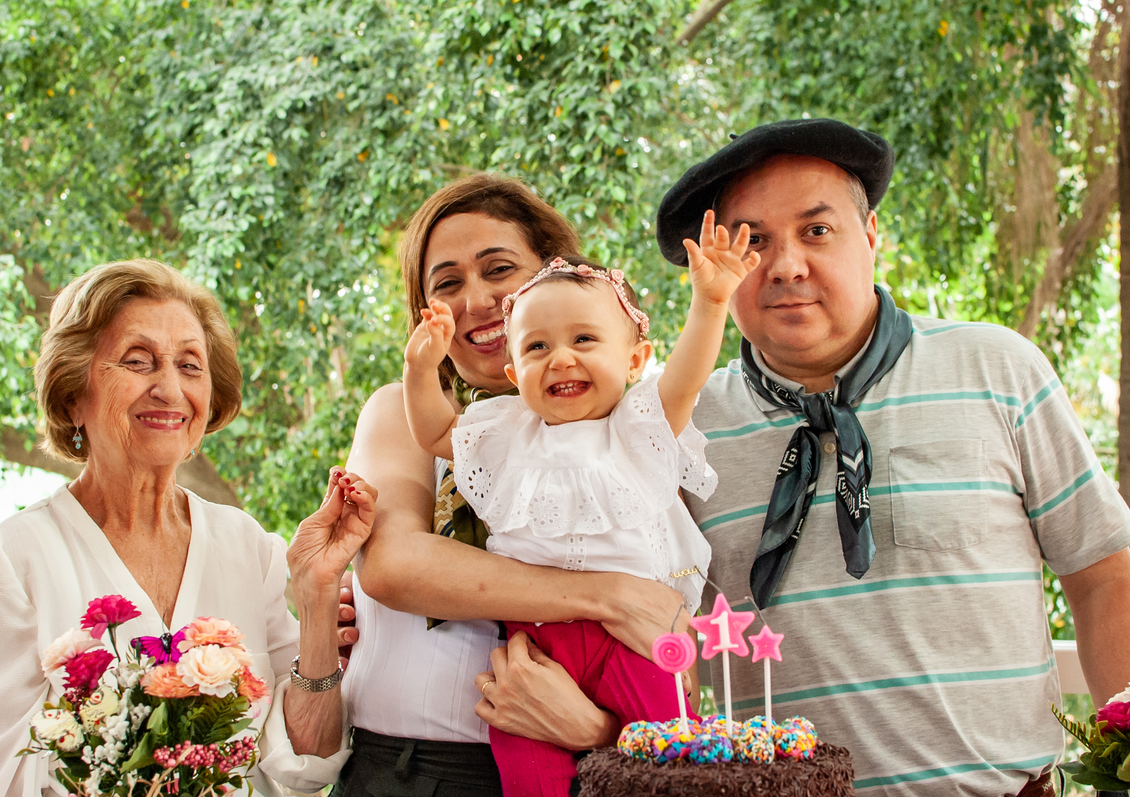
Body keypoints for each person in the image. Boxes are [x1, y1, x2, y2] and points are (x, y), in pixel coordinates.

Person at [652, 118, 1130, 796]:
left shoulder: (996, 368)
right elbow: (643, 619)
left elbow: (1105, 570)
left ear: (872, 234)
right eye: (752, 241)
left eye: (817, 230)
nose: (785, 264)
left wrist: (1124, 760)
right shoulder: (677, 426)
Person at [0, 259, 372, 796]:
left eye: (190, 366)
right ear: (72, 395)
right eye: (138, 361)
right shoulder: (12, 560)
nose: (170, 390)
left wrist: (315, 602)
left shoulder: (247, 547)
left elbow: (306, 765)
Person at [337, 174, 690, 797]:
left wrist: (600, 729)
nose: (475, 299)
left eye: (498, 269)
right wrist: (608, 595)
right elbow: (396, 567)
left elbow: (668, 631)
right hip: (399, 774)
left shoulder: (628, 439)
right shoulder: (404, 412)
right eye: (446, 283)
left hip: (564, 762)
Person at [401, 223, 754, 794]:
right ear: (515, 374)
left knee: (670, 771)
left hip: (634, 644)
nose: (560, 358)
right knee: (532, 784)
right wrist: (420, 369)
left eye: (584, 340)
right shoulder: (507, 433)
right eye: (537, 347)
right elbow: (436, 431)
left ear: (635, 358)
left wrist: (711, 303)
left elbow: (688, 377)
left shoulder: (639, 428)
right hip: (534, 654)